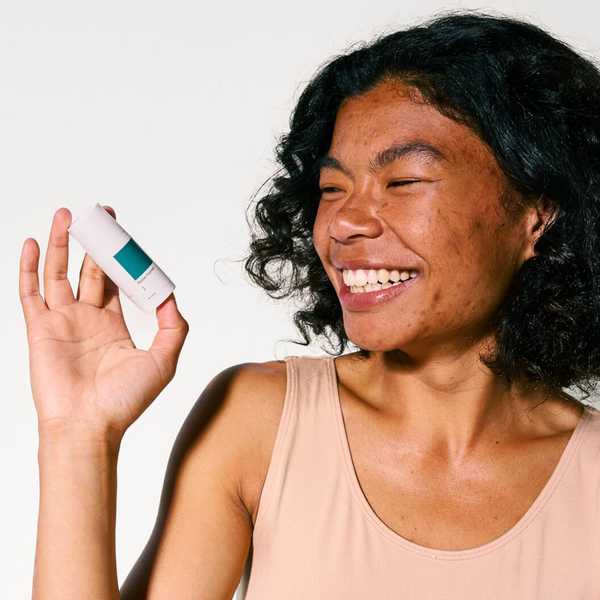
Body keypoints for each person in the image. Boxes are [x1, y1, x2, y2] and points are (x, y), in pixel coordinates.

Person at [20, 9, 600, 599]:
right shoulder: (257, 422)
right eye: (332, 188)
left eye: (403, 182)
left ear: (537, 215)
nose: (344, 221)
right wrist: (78, 436)